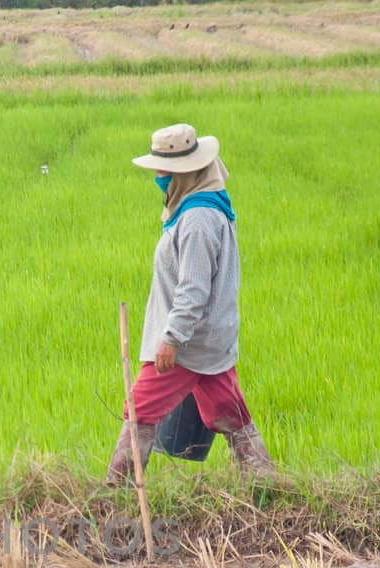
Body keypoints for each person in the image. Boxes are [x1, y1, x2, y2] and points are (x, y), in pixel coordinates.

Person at [106, 123, 274, 484]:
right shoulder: (205, 207)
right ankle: (265, 483)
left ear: (183, 172)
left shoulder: (197, 219)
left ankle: (115, 490)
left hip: (189, 343)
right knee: (229, 411)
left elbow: (193, 289)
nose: (157, 176)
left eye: (162, 171)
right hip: (212, 339)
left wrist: (171, 338)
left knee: (140, 408)